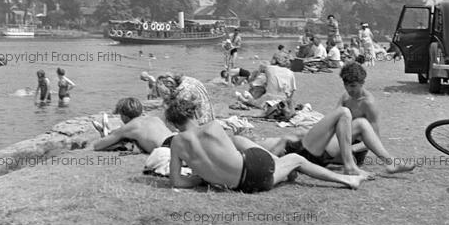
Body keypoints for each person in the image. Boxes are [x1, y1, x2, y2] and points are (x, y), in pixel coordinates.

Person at [165, 93, 368, 192]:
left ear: (175, 124)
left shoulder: (176, 144)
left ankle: (283, 166)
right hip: (256, 171)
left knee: (240, 142)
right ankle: (348, 180)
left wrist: (199, 179)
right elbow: (230, 155)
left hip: (240, 186)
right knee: (295, 158)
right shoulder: (213, 127)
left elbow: (177, 181)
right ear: (194, 113)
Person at [261, 62, 416, 175]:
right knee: (282, 139)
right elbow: (332, 124)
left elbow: (374, 139)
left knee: (360, 123)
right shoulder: (346, 97)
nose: (350, 90)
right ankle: (390, 163)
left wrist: (348, 148)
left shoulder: (368, 104)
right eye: (347, 85)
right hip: (333, 146)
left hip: (351, 149)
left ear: (362, 83)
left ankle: (389, 163)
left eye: (354, 86)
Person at [92, 97, 177, 153]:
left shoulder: (131, 126)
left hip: (167, 148)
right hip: (177, 138)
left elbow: (97, 146)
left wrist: (107, 137)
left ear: (124, 116)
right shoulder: (155, 119)